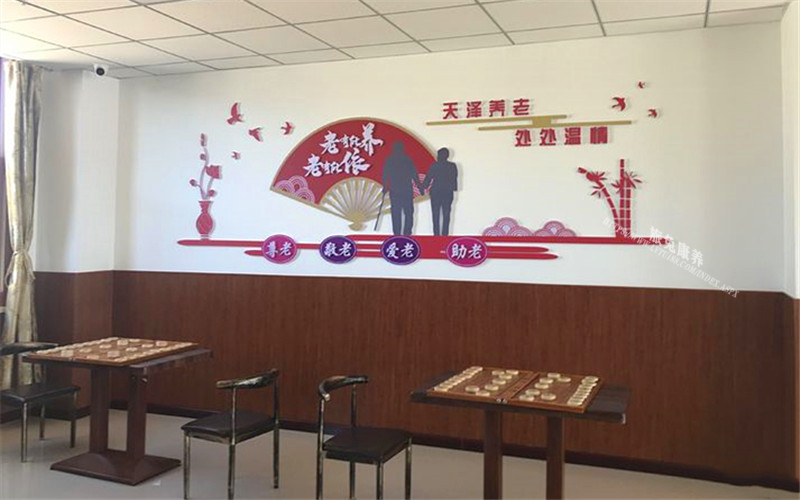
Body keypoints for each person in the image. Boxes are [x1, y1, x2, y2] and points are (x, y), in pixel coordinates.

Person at [381, 141, 423, 235]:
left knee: (396, 213)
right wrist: (419, 186)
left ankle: (397, 233)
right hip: (406, 189)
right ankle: (407, 233)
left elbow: (385, 174)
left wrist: (385, 186)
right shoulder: (407, 159)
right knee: (408, 212)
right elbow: (414, 174)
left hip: (395, 189)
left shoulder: (390, 160)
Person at [421, 147, 458, 236]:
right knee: (446, 214)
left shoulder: (435, 165)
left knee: (435, 214)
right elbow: (454, 178)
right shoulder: (452, 166)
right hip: (448, 192)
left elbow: (428, 177)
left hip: (436, 192)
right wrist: (453, 188)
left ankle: (436, 234)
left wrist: (423, 187)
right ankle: (445, 234)